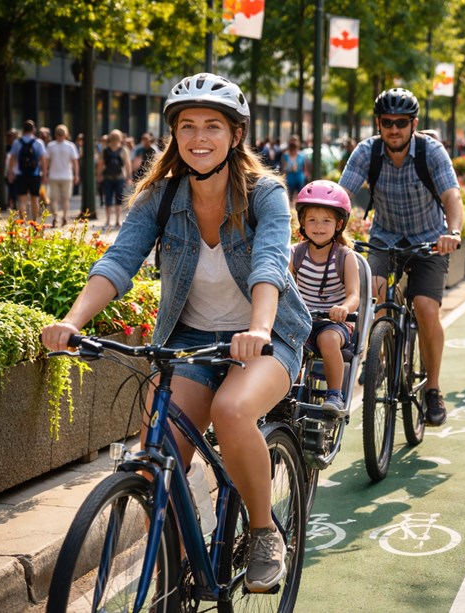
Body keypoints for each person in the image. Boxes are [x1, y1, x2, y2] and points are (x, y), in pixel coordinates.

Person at [40, 72, 311, 593]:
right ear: (174, 135)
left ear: (236, 135)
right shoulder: (161, 198)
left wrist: (258, 327)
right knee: (154, 466)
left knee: (233, 411)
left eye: (213, 125)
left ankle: (262, 531)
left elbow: (271, 263)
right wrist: (73, 322)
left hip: (266, 339)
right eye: (188, 126)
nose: (199, 137)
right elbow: (120, 260)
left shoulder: (265, 194)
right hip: (188, 341)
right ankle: (180, 573)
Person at [339, 87, 463, 427]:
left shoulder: (430, 151)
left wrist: (452, 233)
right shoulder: (368, 152)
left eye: (402, 123)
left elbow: (452, 197)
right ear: (378, 123)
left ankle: (433, 388)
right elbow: (343, 195)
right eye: (388, 122)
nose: (394, 129)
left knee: (425, 308)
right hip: (385, 239)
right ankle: (379, 351)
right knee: (375, 290)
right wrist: (331, 226)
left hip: (430, 241)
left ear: (414, 124)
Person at [289, 180, 360, 417]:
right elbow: (282, 285)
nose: (318, 227)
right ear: (302, 223)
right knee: (285, 341)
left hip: (335, 322)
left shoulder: (344, 256)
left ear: (339, 224)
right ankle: (286, 390)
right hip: (302, 320)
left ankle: (334, 394)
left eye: (326, 221)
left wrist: (343, 308)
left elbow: (354, 295)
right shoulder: (295, 254)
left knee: (328, 340)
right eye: (312, 220)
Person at [7, 119, 47, 221]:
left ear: (23, 130)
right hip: (35, 174)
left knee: (22, 200)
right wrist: (44, 174)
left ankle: (22, 221)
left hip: (21, 174)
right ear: (33, 129)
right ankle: (34, 221)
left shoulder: (17, 142)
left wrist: (10, 172)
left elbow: (12, 158)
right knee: (35, 199)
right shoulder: (38, 142)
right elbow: (43, 159)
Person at [44, 124, 79, 227]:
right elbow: (75, 162)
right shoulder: (70, 146)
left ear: (55, 134)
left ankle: (55, 217)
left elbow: (46, 161)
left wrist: (45, 174)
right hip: (67, 176)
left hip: (53, 175)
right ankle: (64, 216)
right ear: (66, 134)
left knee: (54, 199)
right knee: (65, 199)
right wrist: (76, 174)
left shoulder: (51, 145)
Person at [96, 129, 132, 227]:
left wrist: (99, 175)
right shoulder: (123, 150)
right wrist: (129, 177)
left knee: (108, 198)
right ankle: (117, 220)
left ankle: (108, 220)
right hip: (119, 177)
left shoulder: (105, 149)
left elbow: (100, 164)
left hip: (108, 177)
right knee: (118, 199)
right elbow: (128, 164)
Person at [280, 135, 307, 204]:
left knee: (300, 196)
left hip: (299, 177)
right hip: (289, 178)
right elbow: (283, 168)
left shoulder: (302, 155)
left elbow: (305, 167)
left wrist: (305, 175)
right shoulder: (285, 156)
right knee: (289, 195)